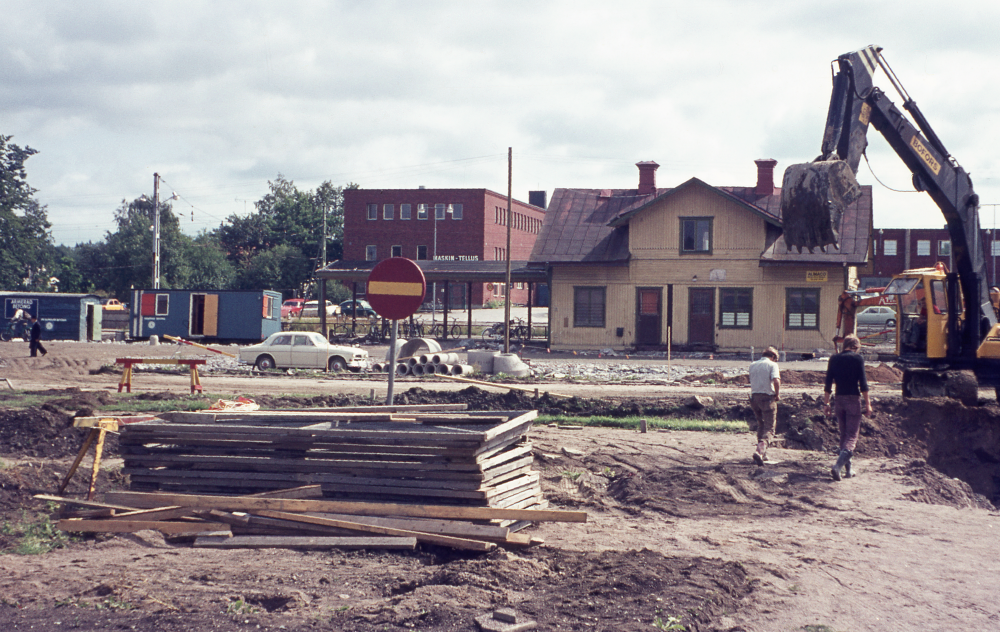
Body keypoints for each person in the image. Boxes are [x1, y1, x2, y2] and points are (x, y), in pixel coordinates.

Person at [823, 333, 872, 481]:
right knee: (851, 436)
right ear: (855, 347)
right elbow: (863, 383)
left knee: (844, 435)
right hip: (853, 399)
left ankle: (848, 471)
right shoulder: (857, 359)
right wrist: (868, 404)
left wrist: (826, 403)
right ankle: (837, 466)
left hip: (838, 400)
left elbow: (828, 383)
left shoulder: (834, 359)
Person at [748, 346, 780, 465]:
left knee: (760, 424)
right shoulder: (772, 365)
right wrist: (777, 395)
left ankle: (762, 454)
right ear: (773, 357)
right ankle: (760, 451)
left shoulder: (753, 365)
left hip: (754, 397)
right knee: (770, 428)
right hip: (767, 398)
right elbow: (776, 381)